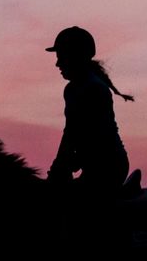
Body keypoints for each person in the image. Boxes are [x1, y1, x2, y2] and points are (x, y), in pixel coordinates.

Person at [45, 26, 133, 202]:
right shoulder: (71, 89)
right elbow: (71, 132)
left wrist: (65, 164)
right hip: (92, 165)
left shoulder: (94, 89)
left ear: (75, 56)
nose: (57, 64)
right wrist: (61, 165)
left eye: (61, 57)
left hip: (108, 167)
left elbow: (90, 135)